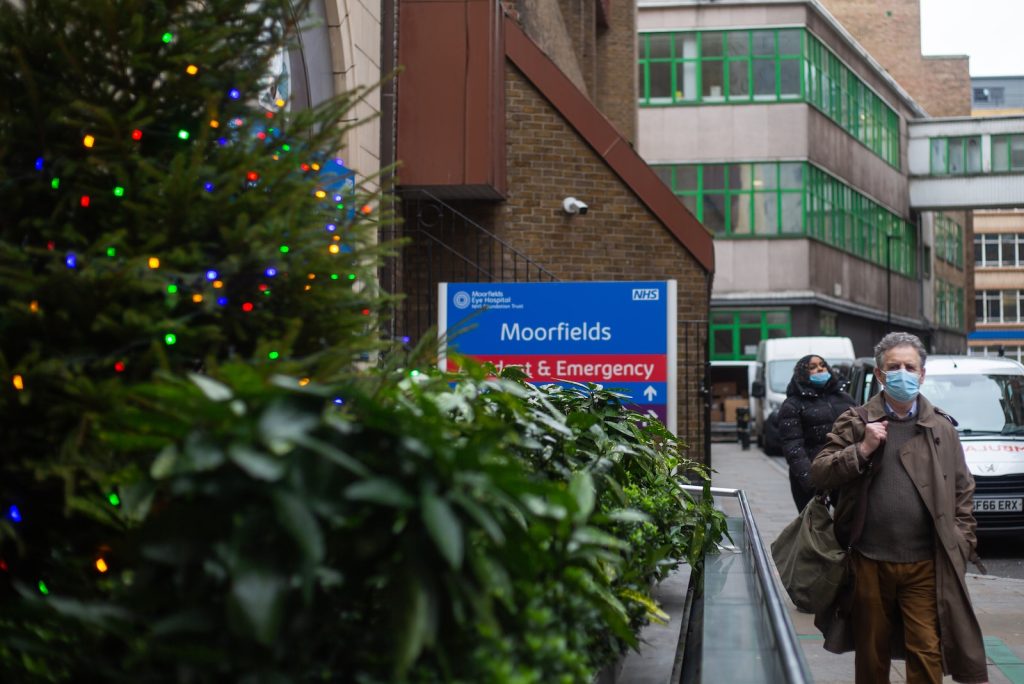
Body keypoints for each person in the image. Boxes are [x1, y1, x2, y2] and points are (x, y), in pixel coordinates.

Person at [810, 332, 988, 684]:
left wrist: (962, 540)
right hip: (869, 561)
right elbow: (819, 472)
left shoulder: (940, 428)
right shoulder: (857, 421)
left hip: (924, 564)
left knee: (926, 652)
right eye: (894, 367)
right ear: (880, 374)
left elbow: (963, 490)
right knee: (871, 654)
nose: (902, 373)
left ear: (922, 375)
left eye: (910, 367)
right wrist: (861, 449)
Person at [776, 354, 855, 512]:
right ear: (802, 374)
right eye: (812, 367)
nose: (820, 369)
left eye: (822, 365)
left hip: (844, 470)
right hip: (814, 475)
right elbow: (793, 446)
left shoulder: (844, 398)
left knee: (848, 524)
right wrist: (811, 480)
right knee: (814, 527)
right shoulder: (793, 405)